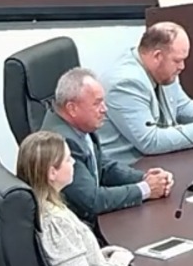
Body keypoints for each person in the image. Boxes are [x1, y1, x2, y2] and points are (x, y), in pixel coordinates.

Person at [15, 129, 176, 266]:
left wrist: (108, 255)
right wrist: (119, 263)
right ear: (52, 173)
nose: (74, 163)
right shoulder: (57, 223)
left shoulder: (49, 207)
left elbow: (76, 262)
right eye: (68, 159)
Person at [38, 67, 174, 229]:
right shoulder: (63, 141)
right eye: (97, 103)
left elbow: (103, 166)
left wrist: (145, 178)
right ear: (72, 108)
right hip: (79, 229)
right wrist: (145, 189)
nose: (104, 109)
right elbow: (92, 200)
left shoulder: (79, 126)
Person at [99, 22, 193, 163]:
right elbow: (150, 141)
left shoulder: (163, 71)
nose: (182, 67)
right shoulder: (126, 83)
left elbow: (181, 105)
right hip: (129, 166)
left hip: (157, 159)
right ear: (157, 56)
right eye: (177, 61)